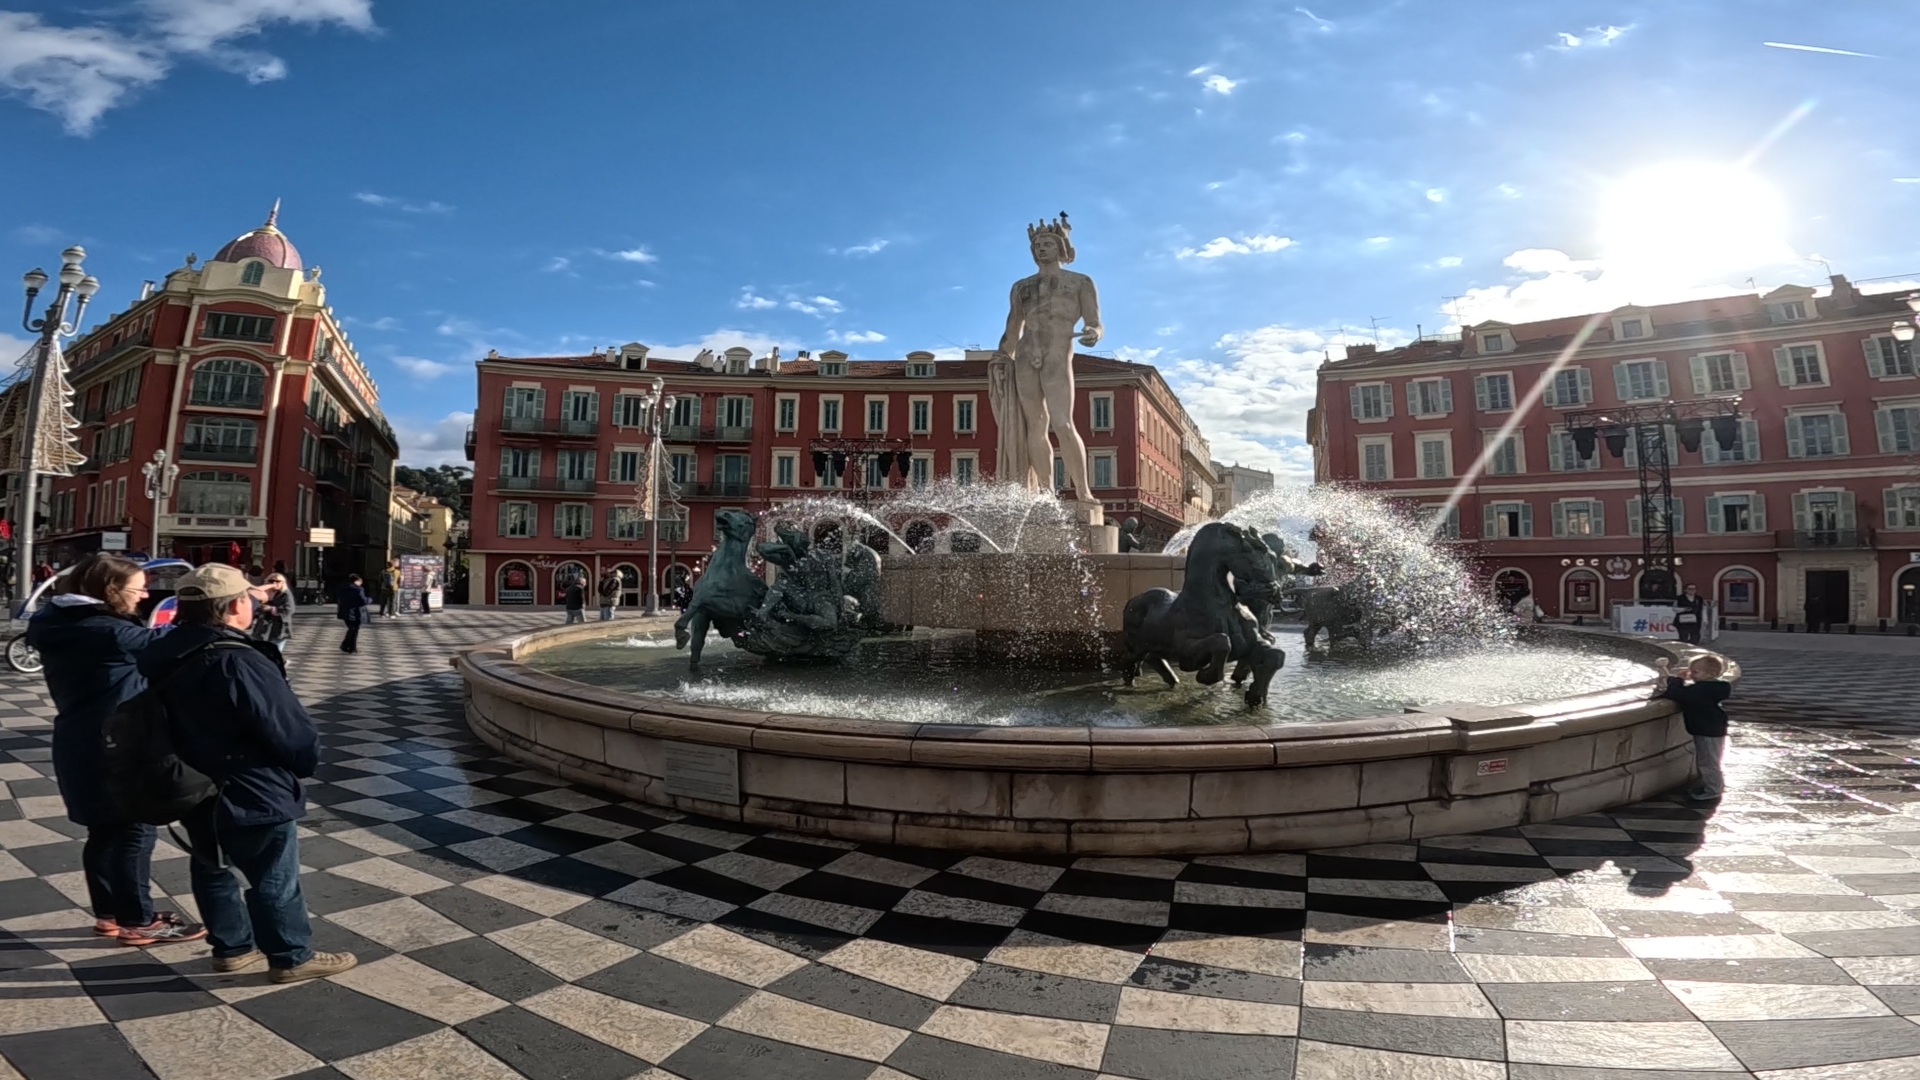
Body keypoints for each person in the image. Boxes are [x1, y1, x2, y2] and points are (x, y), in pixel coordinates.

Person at [139, 564, 354, 983]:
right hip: (250, 784)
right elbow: (289, 731)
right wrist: (302, 763)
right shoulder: (238, 660)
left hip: (189, 783)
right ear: (236, 605)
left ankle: (232, 948)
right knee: (273, 872)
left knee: (210, 865)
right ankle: (290, 955)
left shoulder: (159, 652)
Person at [25, 553, 206, 946]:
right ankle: (138, 921)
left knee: (104, 832)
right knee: (134, 831)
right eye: (137, 590)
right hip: (117, 742)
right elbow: (167, 642)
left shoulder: (58, 621)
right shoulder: (108, 632)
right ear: (110, 591)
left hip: (81, 737)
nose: (143, 597)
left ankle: (111, 913)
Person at [1656, 652, 1734, 802]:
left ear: (1711, 674)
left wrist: (1677, 679)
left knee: (1708, 761)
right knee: (1708, 759)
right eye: (1691, 671)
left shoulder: (1701, 690)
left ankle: (1713, 790)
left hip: (1707, 731)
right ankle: (1710, 785)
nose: (1691, 675)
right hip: (1711, 729)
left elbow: (1677, 694)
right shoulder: (1712, 687)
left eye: (1695, 672)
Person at [251, 572, 295, 657]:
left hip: (279, 626)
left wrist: (272, 609)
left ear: (282, 582)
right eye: (271, 581)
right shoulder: (267, 593)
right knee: (261, 646)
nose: (274, 583)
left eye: (277, 581)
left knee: (275, 649)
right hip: (264, 625)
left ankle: (277, 664)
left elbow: (290, 609)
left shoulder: (285, 594)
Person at [336, 574, 370, 653]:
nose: (361, 583)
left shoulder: (343, 588)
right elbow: (363, 600)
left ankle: (348, 646)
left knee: (352, 629)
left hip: (345, 611)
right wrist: (370, 600)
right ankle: (350, 647)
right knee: (354, 630)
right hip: (356, 612)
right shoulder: (358, 589)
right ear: (356, 581)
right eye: (360, 582)